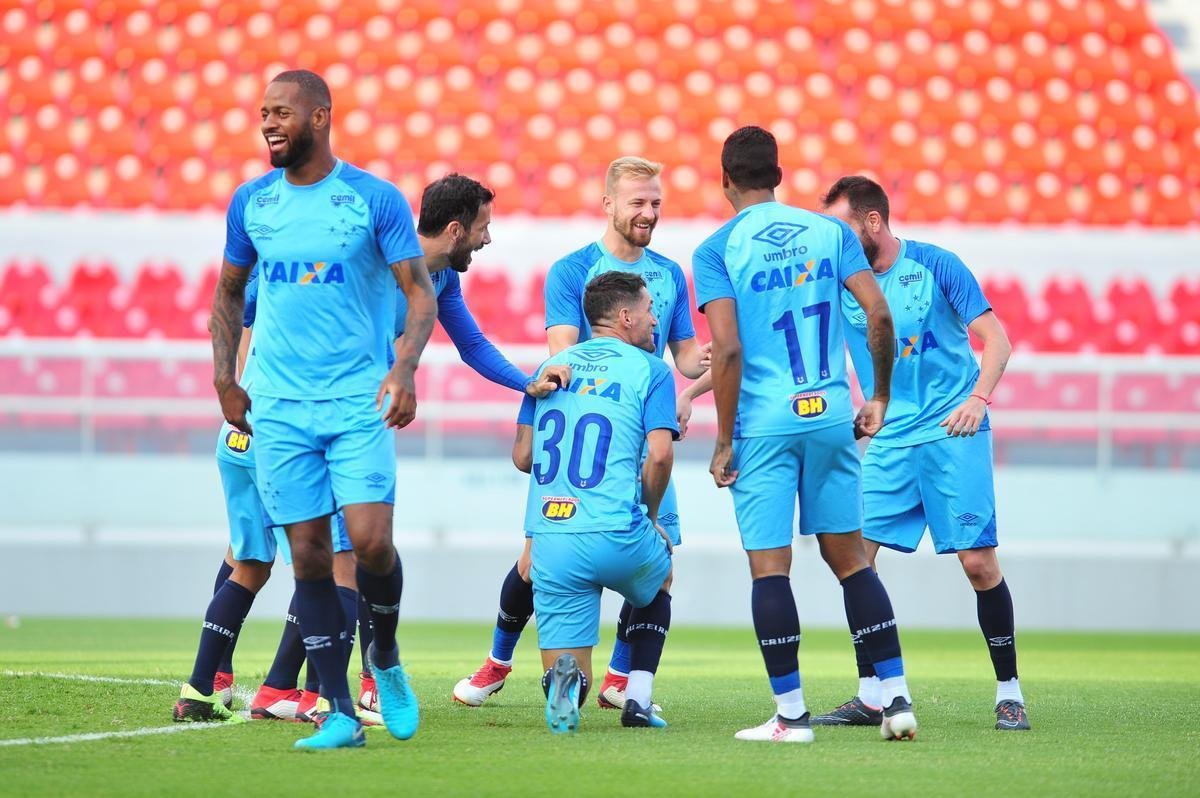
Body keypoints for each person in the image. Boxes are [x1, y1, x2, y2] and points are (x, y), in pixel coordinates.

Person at [207, 69, 436, 750]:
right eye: (262, 114)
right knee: (306, 554)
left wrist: (405, 368)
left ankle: (384, 658)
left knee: (369, 543)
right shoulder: (252, 203)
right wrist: (226, 377)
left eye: (282, 112)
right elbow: (227, 293)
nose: (269, 124)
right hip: (278, 406)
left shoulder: (373, 200)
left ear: (321, 116)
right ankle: (337, 709)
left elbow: (420, 294)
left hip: (356, 401)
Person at [453, 156, 709, 712]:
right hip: (586, 437)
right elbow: (565, 357)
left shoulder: (668, 276)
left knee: (651, 564)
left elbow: (687, 358)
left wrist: (713, 368)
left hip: (644, 436)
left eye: (657, 203)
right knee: (533, 561)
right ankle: (498, 662)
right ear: (609, 204)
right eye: (638, 202)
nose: (649, 212)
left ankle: (619, 680)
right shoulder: (572, 271)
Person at [693, 126, 917, 743]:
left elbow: (729, 349)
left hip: (764, 425)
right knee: (851, 562)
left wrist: (722, 441)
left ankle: (791, 715)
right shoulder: (833, 233)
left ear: (726, 181)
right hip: (829, 419)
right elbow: (878, 312)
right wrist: (878, 395)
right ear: (780, 175)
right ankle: (895, 699)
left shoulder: (716, 250)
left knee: (770, 570)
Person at [815, 175, 1029, 731]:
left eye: (841, 227)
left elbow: (997, 340)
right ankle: (872, 694)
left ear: (872, 221)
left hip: (952, 433)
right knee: (854, 560)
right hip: (888, 441)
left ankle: (1010, 692)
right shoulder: (839, 284)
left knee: (978, 564)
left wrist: (979, 399)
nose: (832, 240)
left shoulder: (938, 264)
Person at [515, 271, 676, 734]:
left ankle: (567, 684)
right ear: (625, 317)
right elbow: (661, 453)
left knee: (572, 668)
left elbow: (523, 457)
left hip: (553, 537)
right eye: (649, 310)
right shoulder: (651, 370)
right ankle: (638, 699)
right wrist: (649, 514)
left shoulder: (550, 368)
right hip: (615, 528)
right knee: (661, 574)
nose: (654, 319)